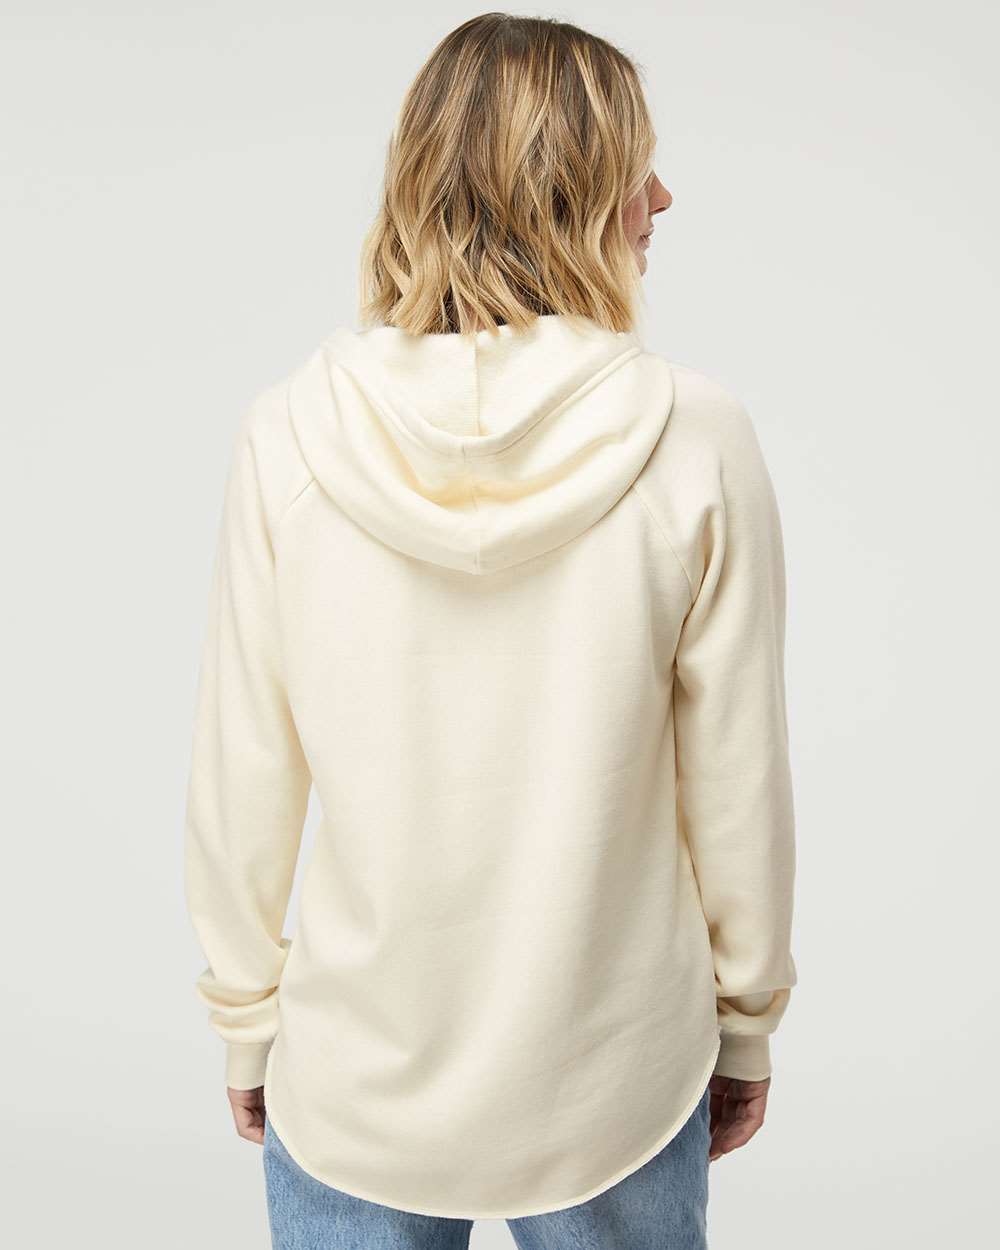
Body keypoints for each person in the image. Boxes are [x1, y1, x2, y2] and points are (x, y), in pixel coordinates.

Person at [182, 12, 798, 1249]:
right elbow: (736, 773)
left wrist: (247, 1017)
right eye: (636, 166)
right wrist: (744, 1019)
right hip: (615, 1069)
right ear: (570, 190)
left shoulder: (290, 432)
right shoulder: (692, 435)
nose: (661, 198)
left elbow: (244, 763)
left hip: (355, 1069)